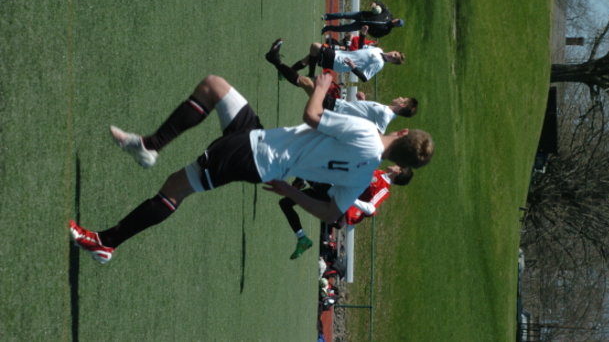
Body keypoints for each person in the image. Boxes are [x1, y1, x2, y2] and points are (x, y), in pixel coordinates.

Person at [69, 68, 434, 264]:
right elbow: (330, 213)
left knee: (176, 187)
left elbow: (312, 116)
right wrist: (290, 190)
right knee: (214, 86)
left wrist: (322, 86)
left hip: (254, 154)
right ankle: (150, 146)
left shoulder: (368, 134)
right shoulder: (364, 175)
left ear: (402, 132)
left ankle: (106, 242)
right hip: (263, 146)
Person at [265, 40, 417, 134]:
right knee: (306, 82)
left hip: (335, 111)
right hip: (337, 105)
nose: (400, 97)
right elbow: (364, 115)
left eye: (403, 99)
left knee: (307, 81)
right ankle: (277, 62)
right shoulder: (386, 110)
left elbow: (376, 136)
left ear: (402, 105)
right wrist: (362, 100)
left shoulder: (385, 116)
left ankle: (275, 60)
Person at [280, 165, 411, 259]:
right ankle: (302, 238)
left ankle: (298, 179)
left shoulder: (384, 189)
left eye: (398, 165)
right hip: (332, 192)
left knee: (305, 166)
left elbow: (371, 208)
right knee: (285, 203)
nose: (395, 164)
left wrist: (350, 198)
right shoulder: (379, 173)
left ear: (398, 171)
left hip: (336, 201)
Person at [281, 37, 404, 82]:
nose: (392, 56)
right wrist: (363, 34)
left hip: (339, 62)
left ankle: (311, 75)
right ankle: (288, 72)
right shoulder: (378, 50)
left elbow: (365, 78)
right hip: (339, 54)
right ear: (393, 51)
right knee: (309, 57)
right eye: (395, 54)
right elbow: (361, 48)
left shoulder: (379, 63)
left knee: (315, 46)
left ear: (392, 62)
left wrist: (353, 67)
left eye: (394, 59)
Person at [322, 1, 404, 38]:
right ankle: (327, 16)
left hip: (360, 26)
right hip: (361, 15)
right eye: (397, 21)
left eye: (397, 24)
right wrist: (375, 4)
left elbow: (377, 35)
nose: (396, 22)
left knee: (343, 28)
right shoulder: (387, 14)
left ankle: (327, 28)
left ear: (396, 26)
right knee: (343, 15)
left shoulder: (387, 30)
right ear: (397, 19)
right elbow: (381, 5)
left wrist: (367, 31)